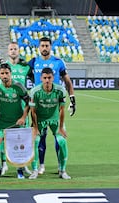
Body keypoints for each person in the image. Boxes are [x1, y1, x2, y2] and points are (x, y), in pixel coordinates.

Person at [28, 36, 76, 175]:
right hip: (39, 105)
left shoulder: (58, 62)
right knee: (40, 138)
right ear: (39, 47)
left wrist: (72, 98)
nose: (44, 48)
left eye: (47, 46)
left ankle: (61, 167)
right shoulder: (33, 62)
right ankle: (40, 165)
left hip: (54, 105)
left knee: (59, 138)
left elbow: (67, 81)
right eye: (42, 45)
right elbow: (23, 73)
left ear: (51, 47)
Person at [0, 42, 33, 176]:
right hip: (7, 105)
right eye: (10, 49)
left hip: (22, 107)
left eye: (15, 49)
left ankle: (23, 165)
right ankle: (4, 163)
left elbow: (34, 81)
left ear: (19, 51)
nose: (13, 51)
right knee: (2, 137)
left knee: (21, 139)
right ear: (8, 51)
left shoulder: (25, 67)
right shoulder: (3, 68)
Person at [0, 60, 30, 179]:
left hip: (17, 121)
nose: (4, 76)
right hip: (3, 121)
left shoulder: (18, 86)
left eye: (7, 73)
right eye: (2, 73)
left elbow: (28, 102)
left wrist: (23, 117)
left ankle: (19, 170)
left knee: (19, 147)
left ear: (11, 73)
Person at [28, 67, 71, 180]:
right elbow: (33, 112)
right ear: (41, 78)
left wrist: (61, 127)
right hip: (40, 120)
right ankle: (35, 170)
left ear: (53, 78)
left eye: (49, 78)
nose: (47, 80)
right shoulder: (35, 91)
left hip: (55, 119)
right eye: (45, 78)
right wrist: (35, 128)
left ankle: (62, 170)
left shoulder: (60, 90)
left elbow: (62, 110)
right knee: (35, 141)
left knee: (62, 142)